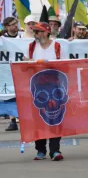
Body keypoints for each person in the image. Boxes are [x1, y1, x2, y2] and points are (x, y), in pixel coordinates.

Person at [23, 22, 66, 161]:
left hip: (55, 87)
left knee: (55, 119)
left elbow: (66, 65)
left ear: (47, 32)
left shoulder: (57, 47)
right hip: (38, 88)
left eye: (39, 31)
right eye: (35, 32)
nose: (36, 34)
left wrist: (47, 63)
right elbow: (23, 66)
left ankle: (55, 150)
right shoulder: (31, 47)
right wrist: (28, 63)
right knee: (38, 119)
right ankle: (40, 150)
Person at [2, 17, 23, 131]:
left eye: (16, 23)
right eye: (13, 24)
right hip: (6, 71)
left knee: (22, 95)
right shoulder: (2, 39)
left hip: (20, 70)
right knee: (9, 96)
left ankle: (23, 119)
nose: (15, 26)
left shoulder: (22, 38)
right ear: (7, 27)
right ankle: (12, 121)